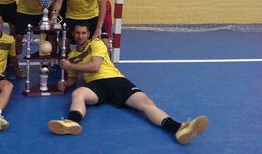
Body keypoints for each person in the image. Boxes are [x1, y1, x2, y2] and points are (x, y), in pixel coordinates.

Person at [47, 23, 209, 144]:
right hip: (96, 86)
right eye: (77, 33)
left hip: (115, 80)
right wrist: (65, 85)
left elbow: (95, 66)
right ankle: (71, 122)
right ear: (73, 35)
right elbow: (72, 79)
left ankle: (179, 128)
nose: (81, 36)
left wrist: (70, 65)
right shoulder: (72, 55)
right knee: (78, 93)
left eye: (83, 33)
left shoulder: (96, 44)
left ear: (88, 34)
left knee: (146, 104)